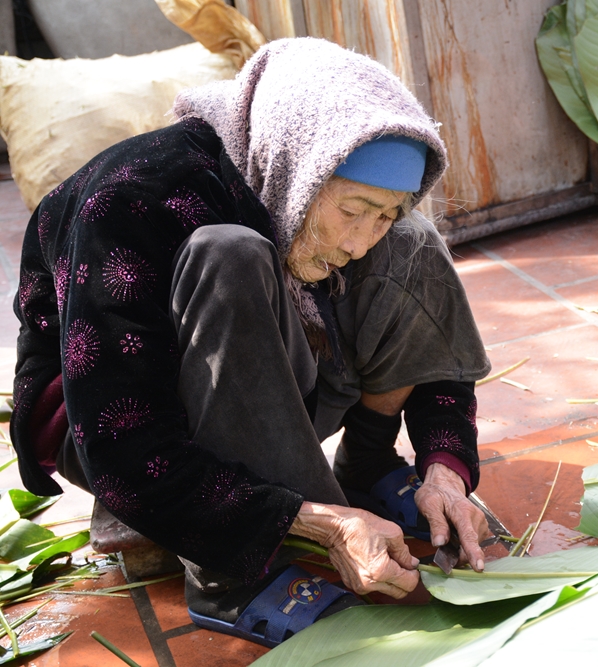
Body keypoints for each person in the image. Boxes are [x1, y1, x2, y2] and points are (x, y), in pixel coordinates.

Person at [10, 38, 493, 647]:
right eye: (355, 211)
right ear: (295, 166)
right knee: (230, 255)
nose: (362, 240)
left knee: (416, 245)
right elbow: (121, 441)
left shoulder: (342, 221)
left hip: (267, 389)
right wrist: (320, 523)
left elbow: (426, 333)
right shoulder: (132, 198)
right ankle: (227, 578)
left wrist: (445, 470)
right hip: (118, 432)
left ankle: (365, 464)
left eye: (382, 214)